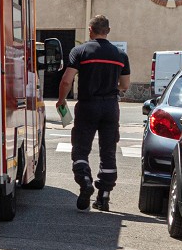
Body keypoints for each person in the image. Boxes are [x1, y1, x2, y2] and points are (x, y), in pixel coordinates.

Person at [56, 15, 130, 211]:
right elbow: (125, 85)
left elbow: (67, 80)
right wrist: (110, 88)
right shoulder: (120, 55)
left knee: (80, 148)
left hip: (87, 105)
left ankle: (85, 181)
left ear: (90, 30)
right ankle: (104, 196)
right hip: (110, 107)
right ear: (108, 30)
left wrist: (61, 100)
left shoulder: (80, 51)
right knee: (108, 151)